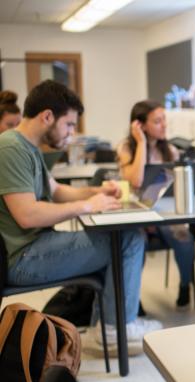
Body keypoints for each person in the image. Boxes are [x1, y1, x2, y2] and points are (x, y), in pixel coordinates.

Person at [0, 80, 160, 353]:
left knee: (117, 238)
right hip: (24, 259)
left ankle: (107, 327)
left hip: (36, 249)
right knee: (128, 240)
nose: (72, 133)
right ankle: (116, 327)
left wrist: (99, 192)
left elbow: (58, 191)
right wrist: (86, 206)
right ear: (47, 116)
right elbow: (27, 215)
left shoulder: (28, 147)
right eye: (70, 125)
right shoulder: (11, 148)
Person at [117, 100, 195, 309]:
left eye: (164, 120)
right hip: (136, 216)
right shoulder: (126, 148)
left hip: (164, 215)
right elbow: (135, 181)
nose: (164, 125)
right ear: (140, 125)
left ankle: (185, 284)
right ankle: (134, 298)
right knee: (136, 243)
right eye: (157, 121)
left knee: (185, 238)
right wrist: (141, 143)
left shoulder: (170, 150)